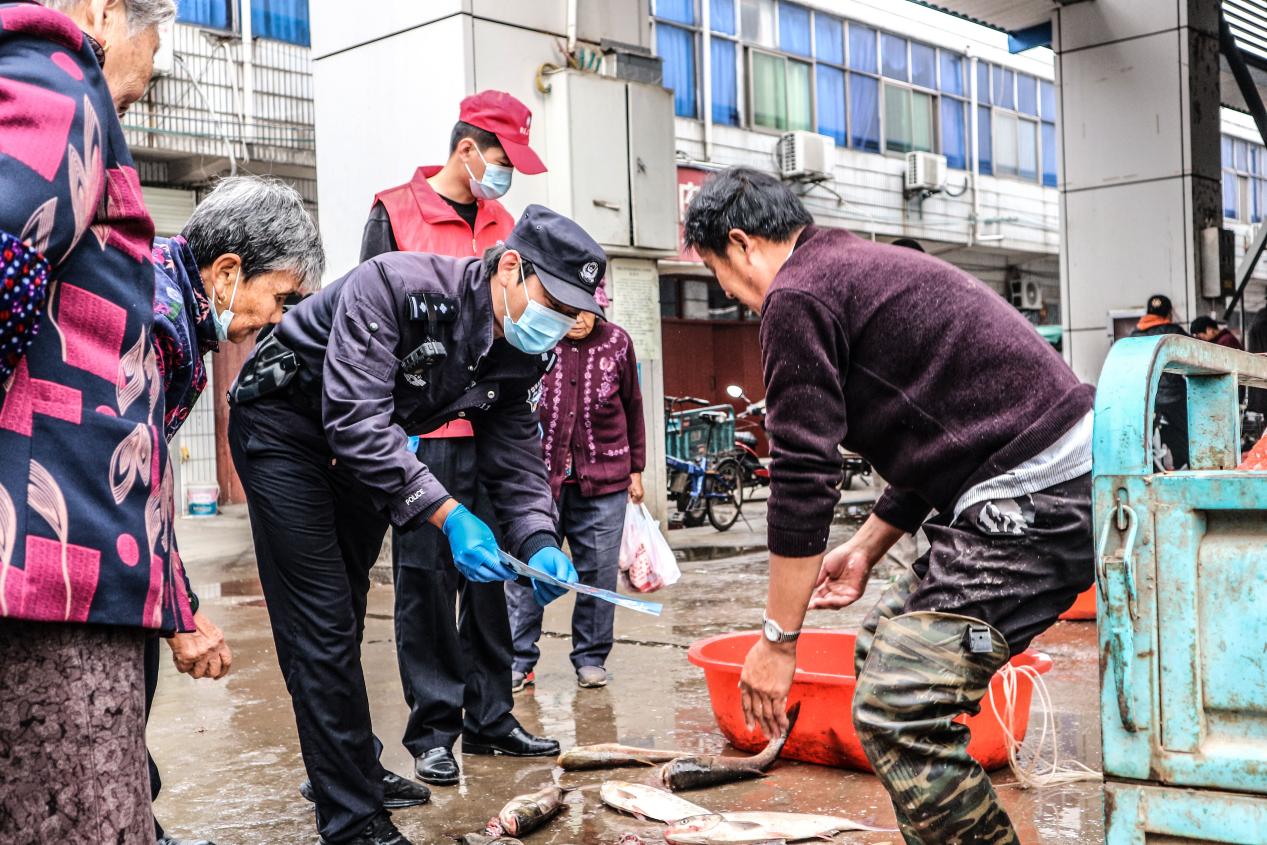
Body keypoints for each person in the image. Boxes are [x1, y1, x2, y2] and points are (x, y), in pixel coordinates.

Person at [683, 168, 1094, 845]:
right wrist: (867, 545)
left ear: (741, 242)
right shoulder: (845, 266)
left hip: (1034, 494)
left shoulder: (797, 295)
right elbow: (940, 426)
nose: (728, 293)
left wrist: (777, 639)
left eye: (716, 272)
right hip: (1033, 479)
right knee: (880, 650)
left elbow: (802, 472)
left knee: (895, 710)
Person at [227, 204, 602, 845]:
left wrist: (539, 540)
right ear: (510, 266)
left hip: (357, 456)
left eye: (573, 313)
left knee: (339, 615)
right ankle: (352, 819)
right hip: (285, 430)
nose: (560, 324)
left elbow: (514, 453)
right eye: (554, 303)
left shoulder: (520, 349)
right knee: (318, 621)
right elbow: (355, 419)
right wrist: (450, 515)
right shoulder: (398, 285)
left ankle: (349, 770)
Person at [0, 0, 181, 841]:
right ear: (107, 11)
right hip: (47, 563)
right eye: (157, 36)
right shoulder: (58, 77)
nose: (154, 66)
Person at [360, 91, 558, 789]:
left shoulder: (509, 225)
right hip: (424, 438)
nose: (508, 177)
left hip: (492, 427)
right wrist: (392, 440)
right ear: (468, 149)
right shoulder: (395, 212)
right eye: (503, 160)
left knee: (495, 576)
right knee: (427, 583)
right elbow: (368, 330)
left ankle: (492, 717)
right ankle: (434, 728)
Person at [146, 175, 323, 845]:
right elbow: (124, 478)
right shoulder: (158, 319)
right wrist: (178, 610)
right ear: (226, 271)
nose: (276, 319)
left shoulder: (177, 310)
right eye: (277, 297)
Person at [505, 295, 646, 691]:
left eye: (587, 311)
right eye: (569, 310)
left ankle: (590, 657)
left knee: (598, 574)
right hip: (537, 480)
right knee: (525, 571)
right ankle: (519, 659)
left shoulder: (617, 342)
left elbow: (633, 406)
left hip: (604, 481)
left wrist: (637, 468)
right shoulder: (537, 338)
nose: (578, 319)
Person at [1130, 294, 1189, 469]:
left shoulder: (1134, 336)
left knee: (1145, 440)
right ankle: (1185, 472)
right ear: (1169, 313)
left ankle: (1151, 473)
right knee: (1182, 439)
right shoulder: (1174, 332)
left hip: (1146, 399)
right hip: (1175, 399)